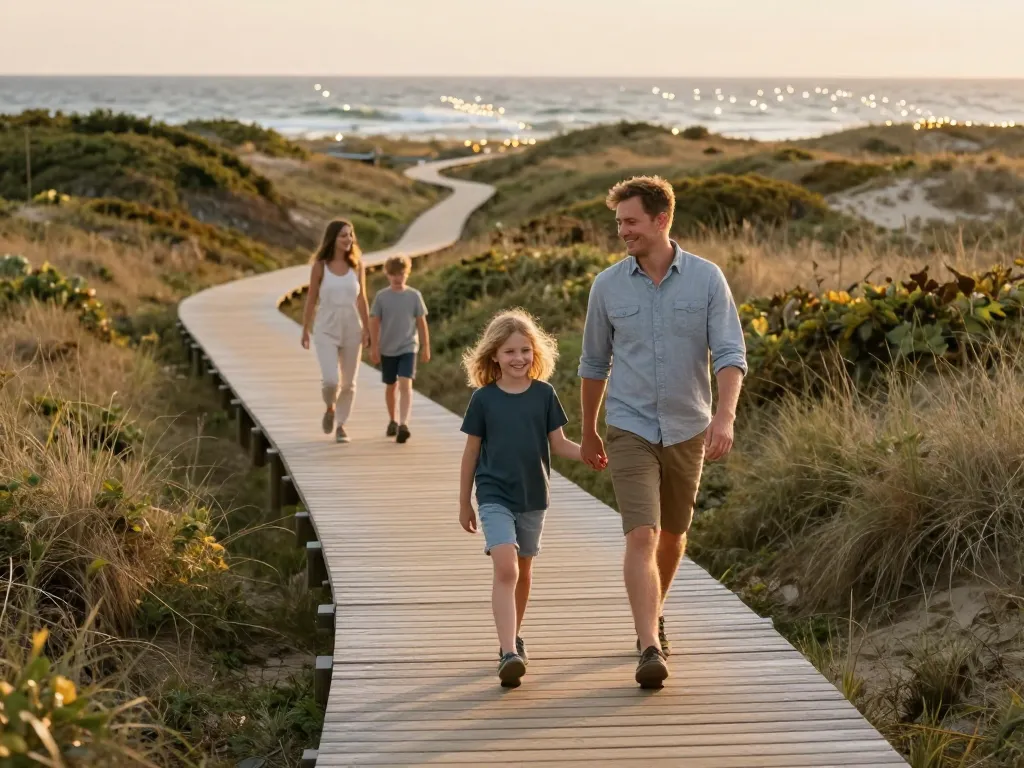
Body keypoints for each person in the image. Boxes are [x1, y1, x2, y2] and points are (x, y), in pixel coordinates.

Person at [577, 175, 748, 690]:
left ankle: (656, 613)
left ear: (661, 219)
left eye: (630, 222)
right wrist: (588, 430)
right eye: (619, 223)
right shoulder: (607, 285)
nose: (623, 231)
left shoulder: (708, 279)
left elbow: (731, 354)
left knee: (673, 536)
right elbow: (592, 362)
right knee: (642, 533)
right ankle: (648, 642)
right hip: (629, 424)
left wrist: (725, 416)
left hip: (688, 425)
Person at [458, 309, 592, 688]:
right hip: (493, 493)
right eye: (509, 351)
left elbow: (559, 444)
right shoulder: (484, 399)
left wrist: (588, 453)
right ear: (494, 356)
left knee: (524, 570)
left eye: (525, 350)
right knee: (507, 568)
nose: (518, 358)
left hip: (534, 495)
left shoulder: (544, 395)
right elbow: (470, 453)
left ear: (536, 353)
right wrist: (464, 501)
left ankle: (513, 635)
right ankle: (507, 652)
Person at [300, 219, 371, 443]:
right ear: (332, 238)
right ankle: (330, 407)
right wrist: (304, 329)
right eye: (343, 235)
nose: (348, 239)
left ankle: (341, 425)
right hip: (326, 328)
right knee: (331, 380)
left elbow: (362, 299)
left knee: (349, 383)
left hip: (352, 328)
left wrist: (367, 329)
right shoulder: (320, 266)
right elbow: (311, 298)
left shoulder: (357, 265)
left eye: (350, 235)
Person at [369, 255, 430, 443]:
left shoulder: (414, 296)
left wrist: (426, 346)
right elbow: (374, 322)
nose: (398, 278)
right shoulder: (381, 297)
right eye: (394, 274)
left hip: (408, 346)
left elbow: (421, 323)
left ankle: (404, 424)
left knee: (405, 383)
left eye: (401, 274)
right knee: (391, 385)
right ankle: (393, 420)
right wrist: (374, 346)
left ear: (407, 274)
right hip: (387, 348)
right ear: (387, 275)